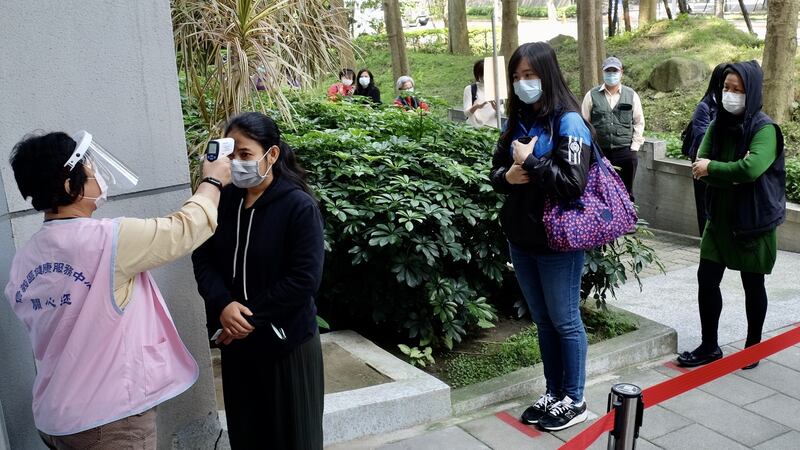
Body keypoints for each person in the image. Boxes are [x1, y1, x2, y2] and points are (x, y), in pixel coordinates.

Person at [4, 131, 231, 449]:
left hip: (56, 416)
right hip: (109, 420)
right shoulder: (108, 240)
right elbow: (184, 229)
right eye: (92, 174)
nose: (98, 180)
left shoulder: (24, 259)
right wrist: (214, 181)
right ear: (71, 186)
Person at [192, 112, 325, 449]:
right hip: (238, 346)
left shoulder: (298, 206)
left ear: (272, 155)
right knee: (248, 436)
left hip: (287, 346)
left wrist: (247, 316)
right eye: (230, 155)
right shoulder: (223, 201)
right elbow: (202, 258)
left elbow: (304, 279)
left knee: (294, 438)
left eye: (246, 155)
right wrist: (223, 305)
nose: (236, 163)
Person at [489, 42, 594, 432]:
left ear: (546, 75)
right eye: (517, 77)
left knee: (565, 320)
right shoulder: (516, 121)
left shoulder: (569, 122)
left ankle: (575, 398)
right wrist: (509, 176)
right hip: (522, 236)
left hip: (559, 241)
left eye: (529, 76)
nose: (522, 84)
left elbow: (573, 183)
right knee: (544, 321)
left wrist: (530, 162)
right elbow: (496, 172)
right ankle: (554, 392)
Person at [678, 60, 786, 370]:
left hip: (753, 223)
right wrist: (727, 172)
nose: (730, 94)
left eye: (737, 89)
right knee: (707, 279)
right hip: (720, 219)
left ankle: (752, 348)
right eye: (726, 88)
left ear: (750, 91)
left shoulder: (765, 129)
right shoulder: (717, 124)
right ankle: (709, 345)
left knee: (753, 284)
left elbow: (751, 169)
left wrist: (715, 168)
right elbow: (700, 164)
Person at [581, 56, 645, 199]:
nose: (611, 74)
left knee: (626, 194)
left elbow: (639, 122)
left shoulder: (631, 95)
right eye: (608, 71)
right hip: (599, 153)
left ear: (621, 72)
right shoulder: (591, 95)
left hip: (625, 153)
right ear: (603, 73)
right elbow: (584, 124)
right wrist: (589, 149)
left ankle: (626, 220)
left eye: (614, 70)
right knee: (600, 193)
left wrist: (634, 148)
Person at [683, 63, 727, 236]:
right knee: (704, 200)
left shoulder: (728, 107)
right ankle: (705, 238)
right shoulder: (705, 106)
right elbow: (703, 137)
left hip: (719, 162)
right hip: (702, 160)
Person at [463, 59, 502, 128]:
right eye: (482, 74)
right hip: (473, 130)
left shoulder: (497, 90)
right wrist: (476, 106)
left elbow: (501, 112)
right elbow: (466, 113)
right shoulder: (470, 89)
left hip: (492, 130)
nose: (485, 77)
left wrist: (496, 108)